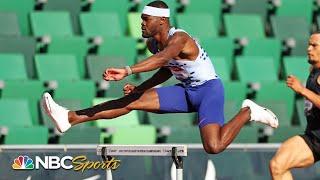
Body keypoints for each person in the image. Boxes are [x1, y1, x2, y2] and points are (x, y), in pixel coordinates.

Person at [42, 0, 278, 154]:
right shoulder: (152, 43)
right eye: (142, 18)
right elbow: (166, 69)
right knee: (131, 102)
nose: (141, 23)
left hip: (209, 91)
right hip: (185, 91)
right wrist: (139, 88)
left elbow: (163, 58)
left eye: (146, 19)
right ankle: (69, 118)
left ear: (162, 21)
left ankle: (249, 111)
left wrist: (128, 71)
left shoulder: (180, 39)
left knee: (213, 146)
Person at [269, 33, 320, 179]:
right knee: (277, 165)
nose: (309, 49)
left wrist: (302, 90)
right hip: (314, 138)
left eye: (314, 45)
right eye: (309, 45)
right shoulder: (314, 70)